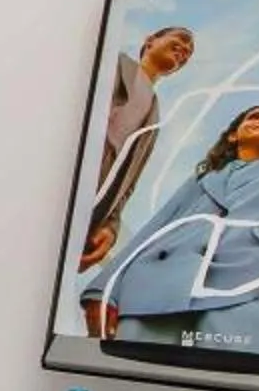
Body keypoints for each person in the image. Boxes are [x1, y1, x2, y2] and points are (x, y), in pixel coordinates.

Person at [82, 104, 259, 356]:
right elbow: (154, 230)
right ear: (233, 135)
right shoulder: (202, 179)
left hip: (246, 290)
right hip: (155, 292)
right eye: (254, 116)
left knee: (246, 388)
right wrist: (102, 290)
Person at [78, 24, 196, 270]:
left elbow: (129, 183)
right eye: (181, 40)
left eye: (188, 53)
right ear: (150, 40)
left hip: (97, 197)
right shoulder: (112, 63)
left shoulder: (154, 115)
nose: (184, 49)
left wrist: (111, 226)